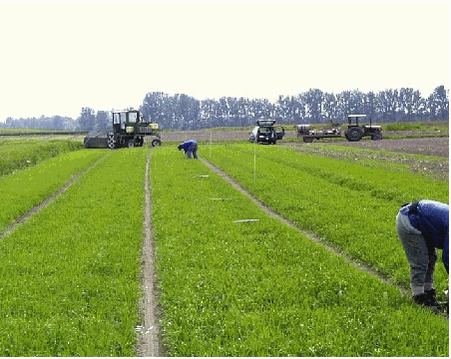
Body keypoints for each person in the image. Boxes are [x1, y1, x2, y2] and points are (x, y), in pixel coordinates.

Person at [396, 200, 449, 306]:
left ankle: (428, 292)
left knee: (431, 258)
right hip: (409, 221)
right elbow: (448, 257)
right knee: (420, 261)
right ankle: (419, 298)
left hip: (424, 223)